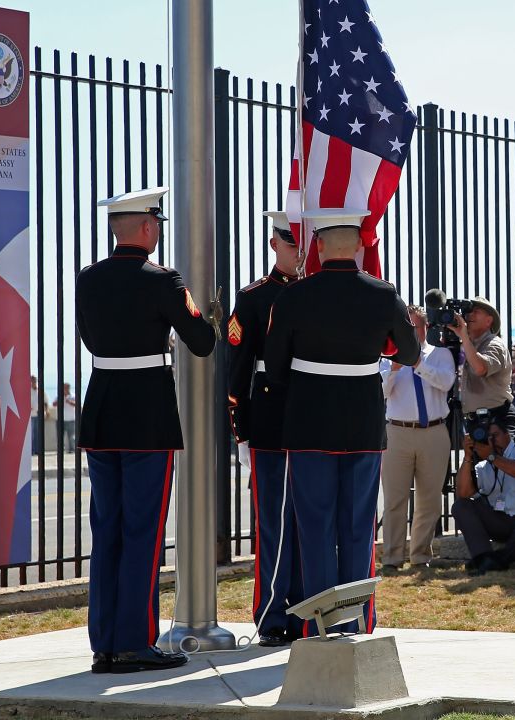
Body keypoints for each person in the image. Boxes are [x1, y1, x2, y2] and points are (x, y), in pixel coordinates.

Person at [78, 187, 218, 673]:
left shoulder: (88, 278)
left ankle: (104, 643)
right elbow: (201, 341)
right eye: (155, 222)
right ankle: (134, 643)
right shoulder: (164, 280)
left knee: (108, 532)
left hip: (101, 412)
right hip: (147, 418)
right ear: (147, 227)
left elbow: (90, 339)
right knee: (143, 534)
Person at [263, 208, 421, 635]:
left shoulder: (293, 296)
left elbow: (275, 369)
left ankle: (320, 629)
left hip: (309, 424)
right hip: (362, 423)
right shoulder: (383, 294)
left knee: (313, 529)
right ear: (360, 245)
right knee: (356, 527)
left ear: (316, 245)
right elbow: (408, 353)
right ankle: (356, 626)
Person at [224, 209, 303, 647]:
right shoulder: (253, 298)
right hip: (270, 422)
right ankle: (273, 617)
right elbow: (237, 369)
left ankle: (309, 610)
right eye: (290, 242)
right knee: (272, 522)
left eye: (302, 242)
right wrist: (242, 430)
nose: (298, 250)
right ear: (274, 244)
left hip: (311, 419)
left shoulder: (315, 292)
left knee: (308, 522)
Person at [380, 305, 456, 569]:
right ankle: (391, 558)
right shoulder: (386, 359)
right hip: (397, 433)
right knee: (394, 500)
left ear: (426, 328)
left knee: (430, 500)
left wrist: (418, 364)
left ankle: (421, 555)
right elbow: (382, 394)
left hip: (434, 432)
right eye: (407, 327)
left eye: (416, 327)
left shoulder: (441, 354)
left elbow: (446, 383)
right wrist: (393, 370)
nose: (412, 332)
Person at [451, 416, 515, 575]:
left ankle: (494, 561)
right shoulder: (483, 466)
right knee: (461, 506)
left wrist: (492, 457)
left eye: (495, 435)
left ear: (508, 434)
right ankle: (483, 557)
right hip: (502, 521)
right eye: (487, 437)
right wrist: (468, 457)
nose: (492, 441)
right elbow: (463, 493)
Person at [450, 297, 515, 436]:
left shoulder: (494, 343)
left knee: (500, 458)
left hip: (496, 419)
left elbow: (480, 368)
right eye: (469, 312)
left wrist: (463, 336)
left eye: (477, 311)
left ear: (489, 321)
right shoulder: (469, 345)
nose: (470, 315)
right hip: (476, 420)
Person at [54, 382, 78, 452]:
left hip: (71, 419)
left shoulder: (73, 396)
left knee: (71, 436)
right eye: (64, 387)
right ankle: (61, 449)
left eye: (66, 387)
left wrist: (69, 402)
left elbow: (77, 404)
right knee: (60, 436)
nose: (65, 389)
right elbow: (54, 404)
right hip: (60, 420)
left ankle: (72, 449)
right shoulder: (59, 396)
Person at [30, 376, 42, 456]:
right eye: (32, 381)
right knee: (32, 434)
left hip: (39, 414)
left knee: (38, 434)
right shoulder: (28, 390)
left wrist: (46, 410)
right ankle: (32, 450)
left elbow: (45, 402)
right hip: (31, 415)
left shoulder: (40, 391)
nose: (33, 382)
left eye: (34, 381)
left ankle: (37, 450)